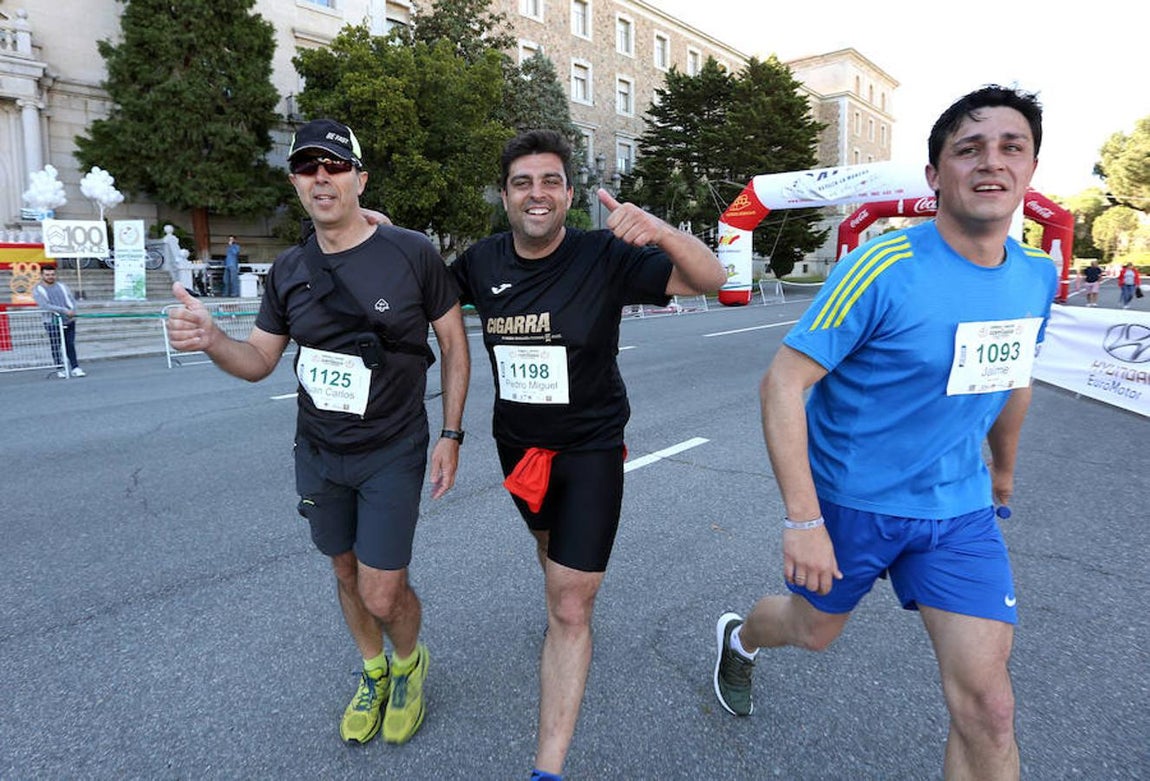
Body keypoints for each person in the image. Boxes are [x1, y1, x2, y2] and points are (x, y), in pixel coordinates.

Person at [712, 85, 1058, 781]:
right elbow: (783, 382)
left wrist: (1003, 470)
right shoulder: (884, 264)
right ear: (936, 176)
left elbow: (1014, 376)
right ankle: (742, 636)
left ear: (1030, 168)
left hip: (958, 512)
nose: (991, 162)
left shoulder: (1036, 276)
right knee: (812, 632)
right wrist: (803, 517)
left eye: (1010, 147)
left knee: (988, 707)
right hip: (852, 503)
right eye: (969, 148)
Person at [166, 118, 470, 747]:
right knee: (342, 570)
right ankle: (373, 670)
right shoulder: (289, 270)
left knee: (382, 591)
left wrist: (453, 433)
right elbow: (257, 361)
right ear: (297, 183)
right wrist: (212, 340)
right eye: (308, 167)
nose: (321, 177)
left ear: (359, 177)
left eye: (334, 165)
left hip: (392, 449)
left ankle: (410, 664)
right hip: (319, 452)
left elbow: (454, 343)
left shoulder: (410, 252)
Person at [449, 129, 725, 780]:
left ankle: (548, 768)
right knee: (550, 556)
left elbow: (712, 277)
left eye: (550, 181)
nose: (537, 193)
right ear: (505, 195)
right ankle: (560, 576)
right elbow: (417, 295)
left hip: (592, 447)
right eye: (523, 182)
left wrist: (656, 228)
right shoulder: (480, 263)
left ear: (570, 194)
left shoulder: (606, 255)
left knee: (571, 604)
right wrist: (371, 231)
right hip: (517, 448)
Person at [32, 265, 86, 378]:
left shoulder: (62, 286)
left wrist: (73, 311)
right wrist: (64, 311)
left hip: (69, 320)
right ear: (42, 275)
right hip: (52, 321)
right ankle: (60, 368)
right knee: (56, 345)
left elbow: (71, 299)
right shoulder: (38, 289)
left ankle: (75, 367)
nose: (50, 277)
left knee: (70, 344)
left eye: (52, 274)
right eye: (47, 275)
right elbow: (45, 305)